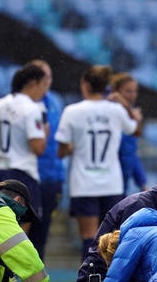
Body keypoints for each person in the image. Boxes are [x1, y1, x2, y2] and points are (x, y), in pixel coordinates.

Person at [55, 65, 138, 262]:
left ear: (85, 85)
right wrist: (125, 104)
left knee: (89, 237)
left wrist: (74, 146)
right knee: (112, 237)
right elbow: (134, 128)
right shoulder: (116, 110)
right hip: (112, 182)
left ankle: (89, 280)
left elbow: (61, 151)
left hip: (84, 183)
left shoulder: (72, 111)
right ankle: (111, 281)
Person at [0, 64, 51, 232]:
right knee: (20, 230)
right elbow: (38, 148)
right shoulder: (32, 108)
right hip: (22, 176)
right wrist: (45, 130)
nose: (45, 91)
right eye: (43, 85)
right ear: (32, 84)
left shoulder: (1, 104)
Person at [25, 59, 65, 261]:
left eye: (49, 76)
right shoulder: (22, 103)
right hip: (27, 175)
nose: (47, 81)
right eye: (43, 76)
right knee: (19, 233)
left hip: (51, 176)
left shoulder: (55, 102)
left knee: (41, 233)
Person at [109, 72, 148, 195]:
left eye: (134, 91)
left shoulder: (131, 116)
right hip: (108, 180)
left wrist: (141, 181)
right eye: (128, 91)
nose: (132, 95)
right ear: (116, 92)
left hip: (122, 182)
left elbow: (131, 152)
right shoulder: (110, 114)